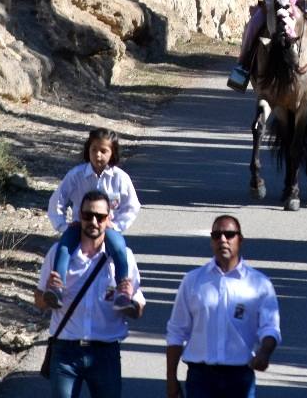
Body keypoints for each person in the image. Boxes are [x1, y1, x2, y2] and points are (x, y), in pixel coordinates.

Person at [35, 190, 145, 398]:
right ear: (79, 217)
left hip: (105, 353)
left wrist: (130, 300)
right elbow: (39, 301)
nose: (93, 221)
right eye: (87, 216)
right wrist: (49, 292)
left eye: (100, 217)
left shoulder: (123, 258)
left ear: (109, 219)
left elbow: (138, 308)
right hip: (65, 350)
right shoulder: (58, 253)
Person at [165, 215, 281, 398]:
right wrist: (171, 379)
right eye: (216, 235)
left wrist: (265, 352)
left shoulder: (259, 284)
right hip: (200, 378)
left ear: (240, 240)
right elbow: (176, 332)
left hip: (239, 377)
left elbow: (270, 328)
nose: (223, 240)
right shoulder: (193, 280)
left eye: (229, 234)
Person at [45, 130, 141, 311]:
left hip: (107, 228)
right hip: (80, 227)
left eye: (103, 151)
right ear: (87, 150)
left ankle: (122, 291)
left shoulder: (120, 178)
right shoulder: (76, 175)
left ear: (113, 153)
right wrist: (63, 225)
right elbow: (57, 201)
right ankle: (57, 287)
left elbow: (132, 206)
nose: (98, 155)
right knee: (64, 247)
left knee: (119, 249)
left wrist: (117, 225)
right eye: (94, 149)